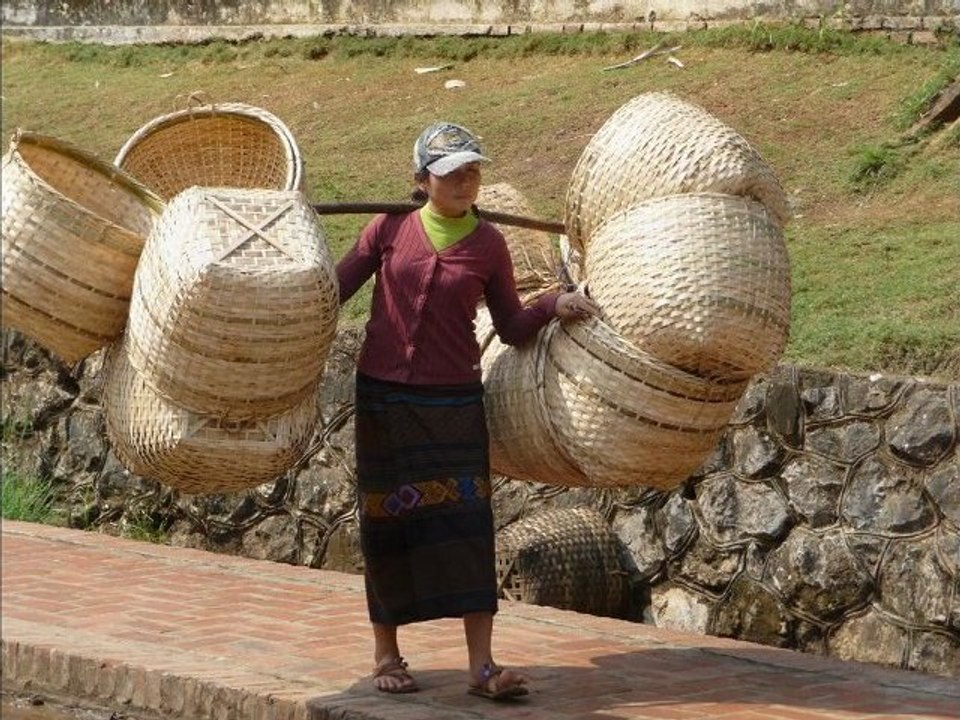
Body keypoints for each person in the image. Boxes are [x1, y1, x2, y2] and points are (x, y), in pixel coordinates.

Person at [335, 121, 599, 701]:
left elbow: (509, 326)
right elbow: (331, 291)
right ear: (422, 179)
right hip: (384, 399)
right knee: (387, 523)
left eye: (472, 169)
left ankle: (481, 668)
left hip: (453, 401)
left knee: (467, 527)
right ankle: (387, 653)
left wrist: (556, 303)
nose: (464, 180)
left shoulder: (487, 245)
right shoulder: (387, 229)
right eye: (451, 171)